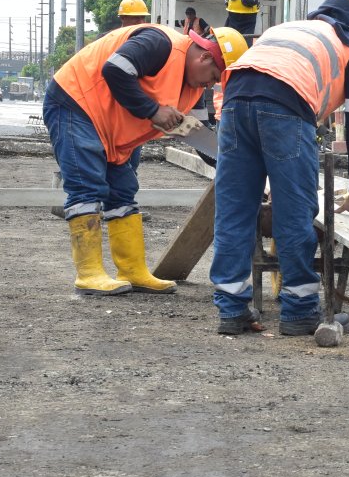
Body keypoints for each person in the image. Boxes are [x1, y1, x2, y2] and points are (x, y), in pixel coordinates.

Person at [208, 0, 349, 336]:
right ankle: (300, 311)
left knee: (235, 209)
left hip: (235, 100)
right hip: (286, 104)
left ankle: (231, 310)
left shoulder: (288, 29)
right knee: (294, 209)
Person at [44, 22, 247, 296]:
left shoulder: (194, 90)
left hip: (114, 126)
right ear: (205, 56)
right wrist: (153, 110)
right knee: (86, 186)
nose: (211, 84)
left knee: (123, 191)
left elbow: (202, 138)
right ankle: (89, 274)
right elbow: (114, 70)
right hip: (76, 103)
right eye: (214, 76)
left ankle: (132, 270)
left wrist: (231, 166)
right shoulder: (160, 43)